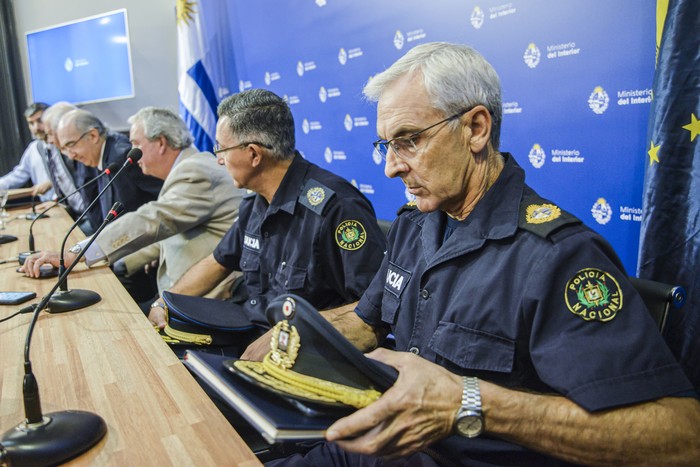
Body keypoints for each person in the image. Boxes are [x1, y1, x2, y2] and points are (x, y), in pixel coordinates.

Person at [268, 42, 700, 465]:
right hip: (381, 446)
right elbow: (367, 320)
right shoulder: (414, 224)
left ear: (476, 128)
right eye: (387, 145)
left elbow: (681, 435)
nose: (391, 167)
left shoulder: (557, 256)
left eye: (409, 140)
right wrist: (294, 339)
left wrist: (470, 403)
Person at [148, 89, 386, 340]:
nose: (219, 160)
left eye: (221, 149)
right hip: (253, 332)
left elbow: (374, 307)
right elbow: (217, 263)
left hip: (306, 348)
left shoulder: (336, 208)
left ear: (253, 154)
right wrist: (164, 302)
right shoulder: (254, 204)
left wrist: (287, 337)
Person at [21, 107, 244, 307]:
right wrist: (115, 263)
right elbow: (169, 235)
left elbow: (151, 220)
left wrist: (76, 254)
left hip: (208, 300)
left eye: (136, 144)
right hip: (180, 292)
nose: (131, 152)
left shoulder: (196, 171)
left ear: (161, 143)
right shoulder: (186, 168)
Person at [56, 109, 163, 231]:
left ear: (93, 136)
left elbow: (161, 198)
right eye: (65, 149)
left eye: (71, 145)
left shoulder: (123, 159)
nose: (70, 156)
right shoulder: (96, 156)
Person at [39, 102, 87, 217]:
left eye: (51, 133)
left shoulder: (82, 152)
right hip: (76, 214)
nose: (50, 140)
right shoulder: (58, 150)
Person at [0, 102, 55, 201]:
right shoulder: (33, 148)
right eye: (31, 123)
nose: (36, 128)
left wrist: (53, 182)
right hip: (48, 206)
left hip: (71, 207)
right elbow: (19, 175)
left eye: (40, 121)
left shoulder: (65, 145)